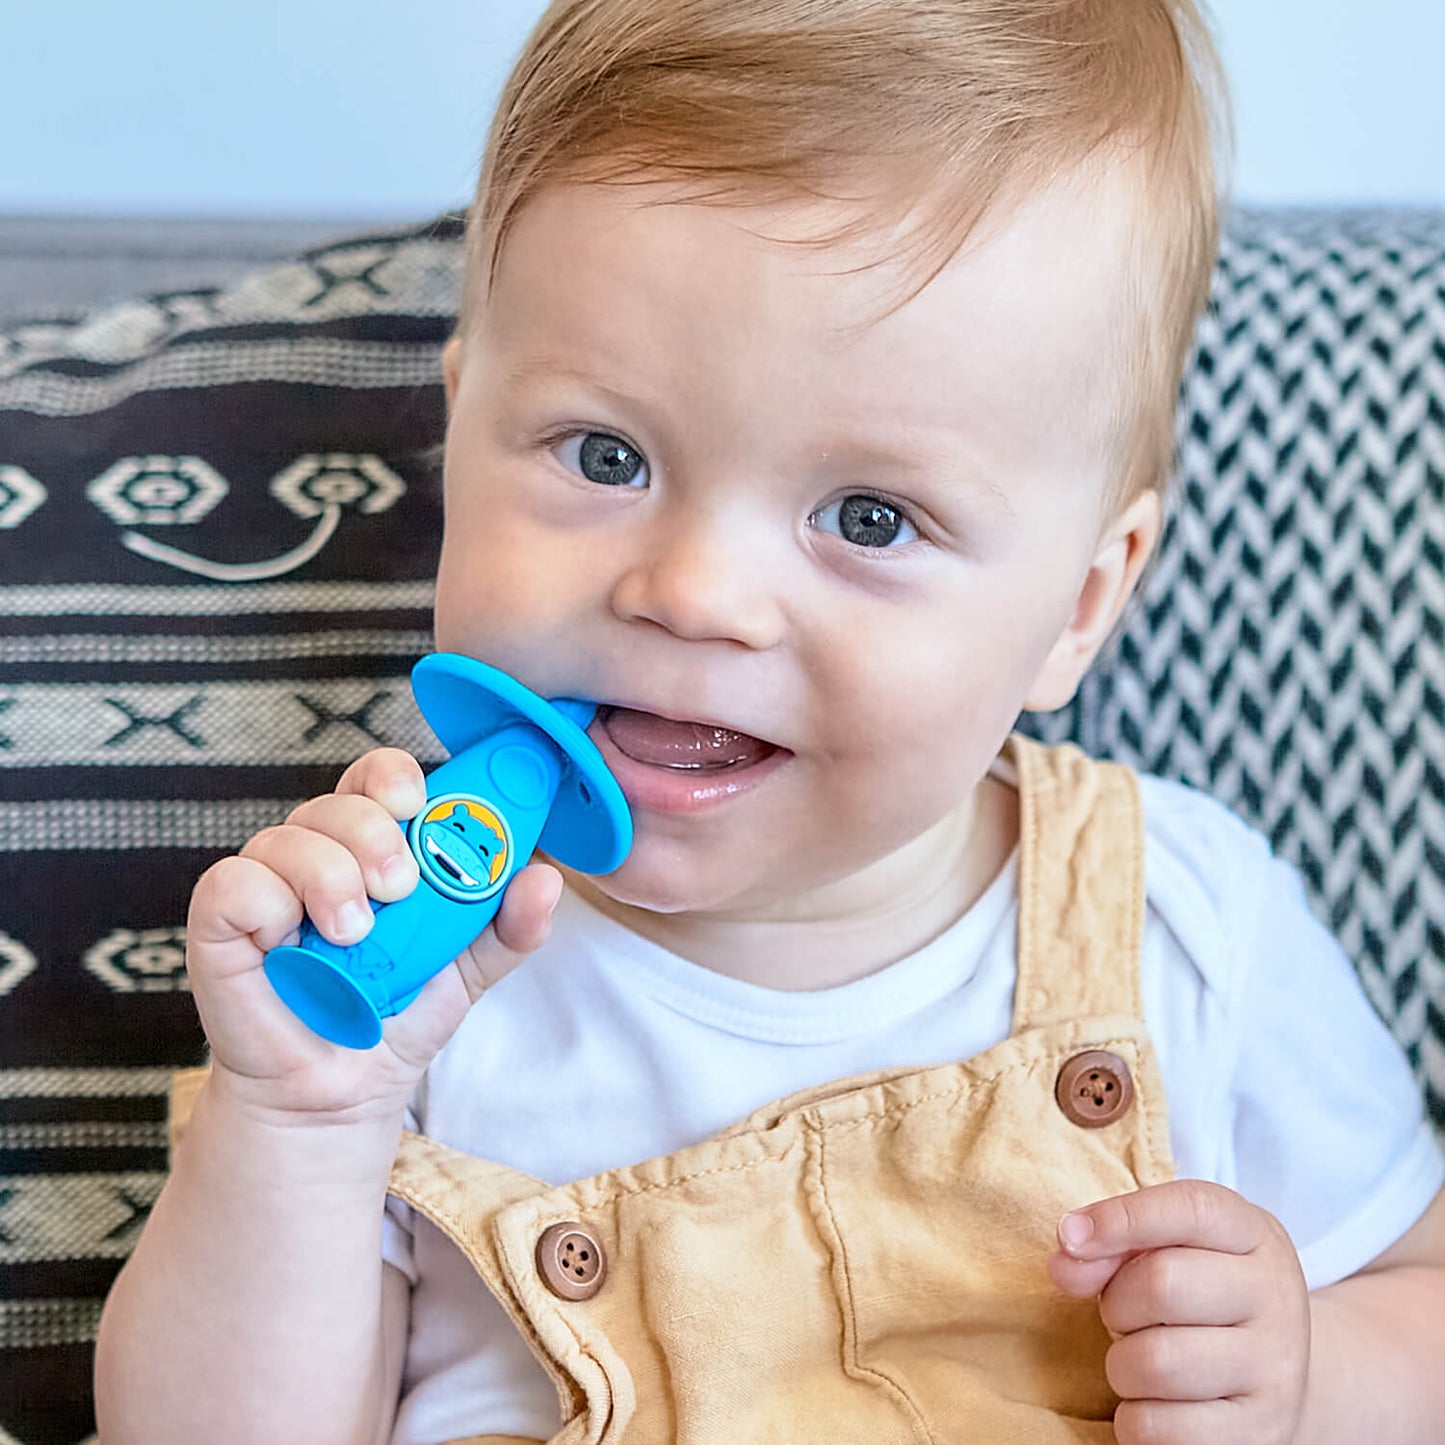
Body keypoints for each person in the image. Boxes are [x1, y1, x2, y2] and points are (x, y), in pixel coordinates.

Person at [94, 1, 1445, 1441]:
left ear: (1077, 606)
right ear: (460, 423)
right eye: (604, 454)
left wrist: (1305, 1374)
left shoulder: (1183, 917)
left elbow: (1421, 1306)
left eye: (870, 516)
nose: (694, 593)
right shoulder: (389, 962)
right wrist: (297, 1122)